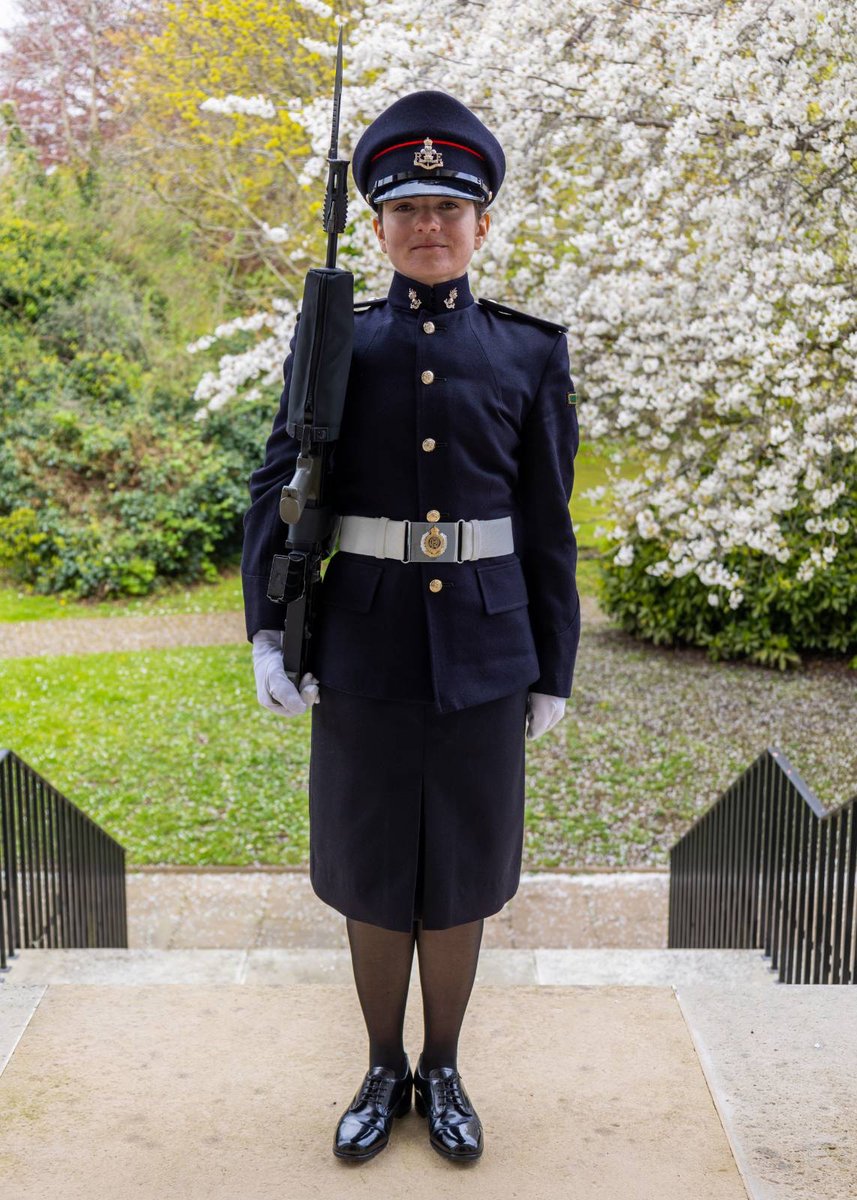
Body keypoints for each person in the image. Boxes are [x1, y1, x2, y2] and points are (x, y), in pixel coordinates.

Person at [241, 90, 580, 1164]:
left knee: (463, 875)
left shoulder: (528, 354)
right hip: (365, 643)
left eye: (449, 207)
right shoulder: (336, 337)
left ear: (482, 224)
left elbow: (546, 521)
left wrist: (553, 667)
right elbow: (276, 485)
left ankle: (443, 1065)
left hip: (486, 650)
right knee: (374, 871)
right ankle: (380, 1062)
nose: (427, 226)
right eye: (407, 209)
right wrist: (264, 629)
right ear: (378, 227)